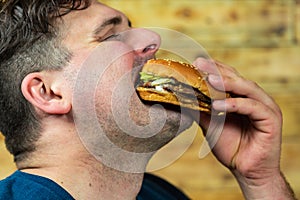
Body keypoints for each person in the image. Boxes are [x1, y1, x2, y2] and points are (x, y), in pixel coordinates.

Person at [0, 0, 297, 199]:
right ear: (48, 92)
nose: (152, 40)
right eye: (110, 37)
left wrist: (261, 180)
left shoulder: (161, 194)